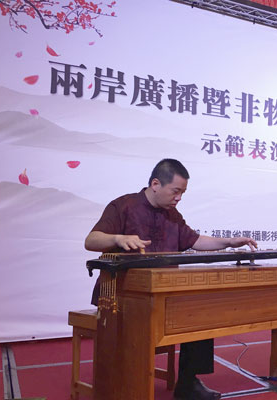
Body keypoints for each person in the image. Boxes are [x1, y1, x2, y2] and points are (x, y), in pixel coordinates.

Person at [85, 158, 257, 400]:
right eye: (176, 191)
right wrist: (117, 239)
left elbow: (195, 241)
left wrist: (229, 242)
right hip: (123, 296)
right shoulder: (124, 206)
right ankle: (124, 385)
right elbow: (91, 240)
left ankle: (187, 382)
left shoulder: (172, 215)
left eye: (182, 193)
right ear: (156, 184)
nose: (179, 198)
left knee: (200, 313)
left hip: (162, 293)